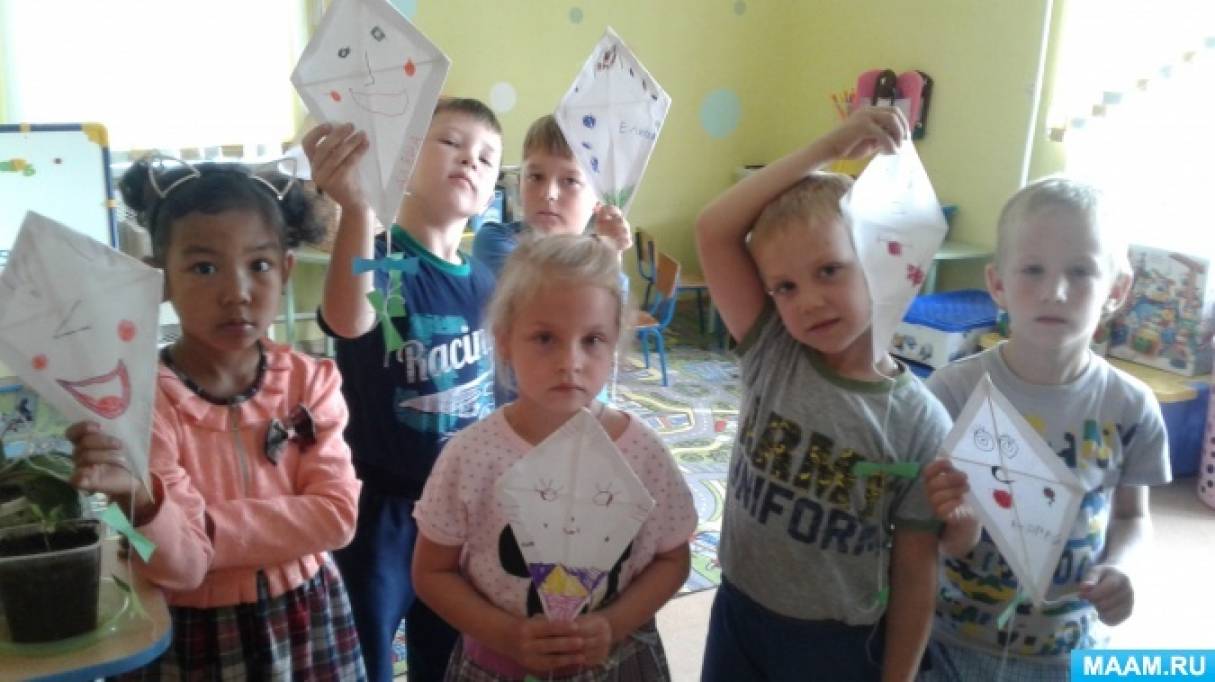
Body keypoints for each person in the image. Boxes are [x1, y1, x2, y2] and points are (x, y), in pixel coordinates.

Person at [67, 158, 365, 679]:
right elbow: (178, 566)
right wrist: (140, 504)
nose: (237, 292)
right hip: (189, 632)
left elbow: (338, 516)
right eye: (204, 268)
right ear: (160, 278)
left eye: (260, 264)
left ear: (286, 269)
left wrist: (202, 529)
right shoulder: (138, 402)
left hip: (307, 613)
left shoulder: (311, 382)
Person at [694, 107, 946, 682]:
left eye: (829, 270)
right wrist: (827, 146)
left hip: (835, 646)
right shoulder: (773, 348)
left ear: (877, 259)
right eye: (784, 286)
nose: (807, 301)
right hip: (739, 612)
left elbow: (915, 573)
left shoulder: (919, 421)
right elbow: (713, 229)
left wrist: (899, 676)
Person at [412, 234, 697, 681]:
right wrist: (506, 634)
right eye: (545, 338)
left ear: (615, 343)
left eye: (593, 339)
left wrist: (614, 623)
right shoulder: (471, 456)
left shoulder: (643, 453)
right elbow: (432, 572)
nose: (570, 361)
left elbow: (672, 560)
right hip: (499, 665)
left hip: (618, 663)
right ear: (505, 342)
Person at [920, 177, 1171, 681]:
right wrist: (951, 530)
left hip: (1071, 650)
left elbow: (1132, 517)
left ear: (1117, 290)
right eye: (1032, 270)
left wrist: (1124, 568)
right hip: (950, 643)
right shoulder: (949, 393)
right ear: (998, 285)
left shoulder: (1132, 406)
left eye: (1080, 271)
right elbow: (916, 527)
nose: (1055, 292)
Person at [301, 97, 503, 682]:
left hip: (459, 510)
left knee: (446, 656)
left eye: (487, 157)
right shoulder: (386, 263)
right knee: (364, 656)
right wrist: (358, 206)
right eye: (451, 142)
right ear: (406, 159)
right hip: (381, 511)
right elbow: (348, 319)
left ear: (491, 190)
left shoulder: (485, 282)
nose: (469, 159)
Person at [471, 114, 631, 278]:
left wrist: (611, 255)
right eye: (536, 177)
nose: (549, 194)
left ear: (598, 197)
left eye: (570, 181)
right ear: (520, 183)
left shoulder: (602, 264)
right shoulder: (494, 241)